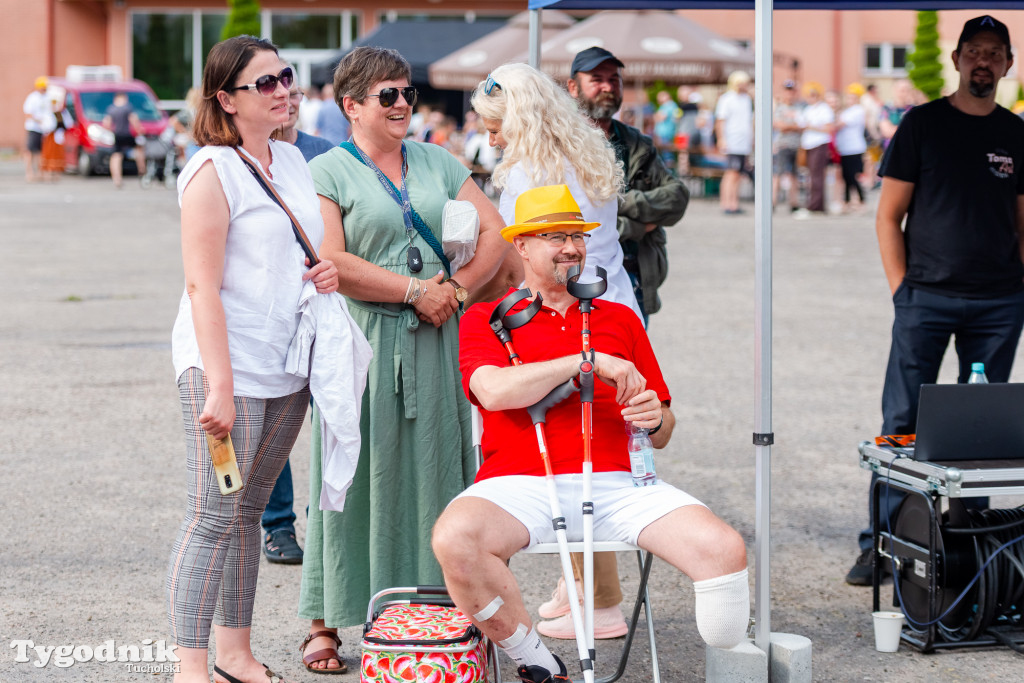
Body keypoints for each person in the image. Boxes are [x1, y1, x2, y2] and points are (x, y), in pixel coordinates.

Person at [432, 184, 750, 683]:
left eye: (577, 236)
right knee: (455, 540)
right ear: (522, 246)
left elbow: (664, 427)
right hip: (520, 482)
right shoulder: (486, 318)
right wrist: (584, 363)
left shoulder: (620, 317)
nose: (571, 248)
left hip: (623, 483)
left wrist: (654, 416)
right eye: (554, 236)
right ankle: (537, 661)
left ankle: (732, 669)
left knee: (724, 549)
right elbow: (491, 391)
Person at [297, 46, 511, 674]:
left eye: (405, 93)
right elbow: (332, 261)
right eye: (385, 95)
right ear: (351, 106)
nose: (400, 104)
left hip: (438, 336)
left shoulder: (440, 161)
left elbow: (497, 232)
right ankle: (325, 619)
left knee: (438, 471)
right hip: (362, 340)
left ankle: (443, 610)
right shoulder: (328, 171)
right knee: (349, 474)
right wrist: (417, 291)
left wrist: (459, 290)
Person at [165, 35, 342, 683]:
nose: (283, 90)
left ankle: (236, 653)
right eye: (264, 83)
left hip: (286, 365)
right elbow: (200, 284)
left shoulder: (294, 161)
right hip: (225, 366)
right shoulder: (211, 170)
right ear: (227, 100)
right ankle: (191, 664)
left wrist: (320, 272)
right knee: (212, 513)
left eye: (286, 77)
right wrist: (217, 383)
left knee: (249, 508)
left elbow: (296, 251)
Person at [847, 15, 1024, 586]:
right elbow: (888, 216)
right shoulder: (922, 125)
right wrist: (902, 291)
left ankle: (970, 548)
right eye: (973, 50)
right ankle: (883, 544)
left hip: (999, 304)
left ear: (1007, 65)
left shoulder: (1016, 134)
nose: (983, 61)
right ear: (956, 60)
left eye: (994, 53)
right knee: (902, 423)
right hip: (925, 298)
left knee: (984, 430)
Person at [471, 61, 642, 323]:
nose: (492, 141)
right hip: (616, 300)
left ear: (517, 123)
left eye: (494, 131)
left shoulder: (529, 172)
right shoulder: (591, 156)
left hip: (567, 311)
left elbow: (515, 257)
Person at [257, 78, 336, 568]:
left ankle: (325, 520)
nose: (284, 104)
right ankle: (278, 524)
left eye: (292, 95)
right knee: (273, 425)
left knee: (332, 414)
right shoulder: (239, 158)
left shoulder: (323, 155)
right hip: (273, 307)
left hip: (326, 300)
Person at [567, 46, 689, 330]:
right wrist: (639, 225)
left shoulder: (637, 143)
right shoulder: (561, 144)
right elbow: (569, 222)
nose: (608, 87)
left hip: (635, 279)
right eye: (597, 79)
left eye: (614, 79)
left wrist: (613, 201)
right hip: (578, 282)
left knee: (631, 369)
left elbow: (678, 197)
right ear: (573, 87)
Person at [715, 71, 754, 215]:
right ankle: (726, 203)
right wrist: (721, 139)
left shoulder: (747, 99)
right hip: (732, 140)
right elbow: (720, 120)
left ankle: (734, 202)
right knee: (731, 173)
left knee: (738, 174)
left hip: (744, 142)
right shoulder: (727, 99)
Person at [795, 82, 834, 216]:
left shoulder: (824, 109)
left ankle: (815, 205)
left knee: (817, 176)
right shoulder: (808, 109)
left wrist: (810, 126)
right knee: (811, 176)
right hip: (808, 145)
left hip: (819, 144)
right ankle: (814, 203)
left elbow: (828, 128)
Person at [834, 84, 867, 213]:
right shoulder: (848, 111)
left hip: (854, 148)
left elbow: (840, 124)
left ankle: (861, 200)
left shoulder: (857, 110)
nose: (849, 100)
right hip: (845, 148)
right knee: (846, 176)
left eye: (852, 97)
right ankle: (847, 201)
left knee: (853, 176)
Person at [772, 80, 802, 213]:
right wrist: (794, 126)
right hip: (783, 145)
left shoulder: (798, 108)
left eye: (791, 91)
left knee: (794, 175)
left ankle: (793, 202)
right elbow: (779, 126)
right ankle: (773, 201)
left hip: (796, 145)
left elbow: (803, 125)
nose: (789, 94)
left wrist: (791, 126)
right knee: (778, 173)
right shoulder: (779, 107)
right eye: (787, 91)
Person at [103, 91, 143, 188]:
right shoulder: (127, 107)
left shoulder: (111, 109)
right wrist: (139, 130)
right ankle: (142, 172)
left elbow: (106, 123)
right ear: (124, 97)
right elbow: (133, 120)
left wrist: (111, 130)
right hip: (127, 134)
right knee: (139, 149)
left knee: (116, 156)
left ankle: (117, 179)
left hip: (116, 135)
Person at [23, 76, 53, 183]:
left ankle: (41, 173)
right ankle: (29, 172)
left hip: (44, 129)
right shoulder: (32, 98)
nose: (44, 89)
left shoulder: (48, 97)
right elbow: (27, 114)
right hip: (34, 128)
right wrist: (38, 120)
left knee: (42, 152)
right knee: (30, 151)